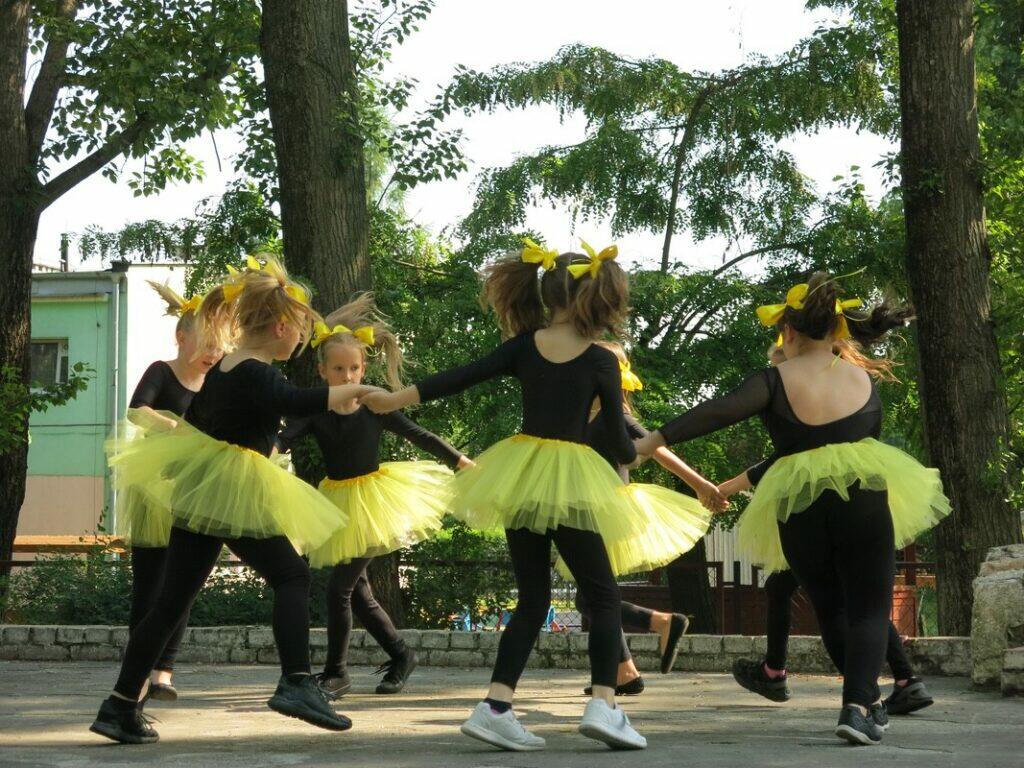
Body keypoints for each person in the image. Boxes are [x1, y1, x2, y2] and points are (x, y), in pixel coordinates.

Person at [362, 238, 654, 751]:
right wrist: (646, 447)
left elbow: (459, 377)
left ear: (549, 294)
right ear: (593, 298)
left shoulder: (524, 346)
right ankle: (604, 706)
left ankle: (495, 707)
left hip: (520, 476)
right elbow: (619, 445)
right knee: (604, 596)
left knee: (533, 599)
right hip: (572, 482)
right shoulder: (602, 361)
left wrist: (393, 399)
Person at [635, 272, 950, 746]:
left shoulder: (774, 379)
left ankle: (865, 704)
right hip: (862, 495)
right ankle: (858, 705)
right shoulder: (860, 377)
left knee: (830, 607)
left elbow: (720, 410)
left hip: (798, 502)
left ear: (788, 329)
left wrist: (654, 440)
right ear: (836, 327)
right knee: (868, 608)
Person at [92, 256, 377, 744]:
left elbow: (202, 422)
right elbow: (292, 402)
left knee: (169, 603)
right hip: (232, 489)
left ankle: (118, 707)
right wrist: (359, 389)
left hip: (203, 490)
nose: (302, 340)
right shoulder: (256, 370)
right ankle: (296, 682)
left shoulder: (225, 366)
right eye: (301, 330)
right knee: (292, 575)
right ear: (282, 326)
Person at [720, 343, 934, 714]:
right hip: (847, 504)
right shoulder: (846, 384)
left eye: (778, 364)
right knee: (852, 597)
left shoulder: (806, 395)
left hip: (816, 512)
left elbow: (778, 461)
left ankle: (859, 689)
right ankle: (899, 680)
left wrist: (720, 489)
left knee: (847, 601)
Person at [278, 294, 471, 700]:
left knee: (339, 590)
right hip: (336, 503)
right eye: (338, 369)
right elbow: (285, 438)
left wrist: (459, 460)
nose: (347, 375)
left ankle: (337, 674)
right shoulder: (315, 410)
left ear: (363, 369)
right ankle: (402, 655)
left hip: (373, 503)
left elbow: (419, 435)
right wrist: (259, 453)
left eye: (354, 368)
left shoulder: (374, 406)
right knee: (359, 593)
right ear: (322, 370)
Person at [110, 282, 222, 703]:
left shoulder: (217, 383)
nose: (213, 353)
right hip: (155, 486)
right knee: (150, 583)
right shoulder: (161, 370)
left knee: (183, 584)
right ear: (181, 337)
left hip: (195, 486)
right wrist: (171, 425)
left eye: (220, 346)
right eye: (207, 343)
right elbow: (135, 411)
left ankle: (164, 671)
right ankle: (136, 672)